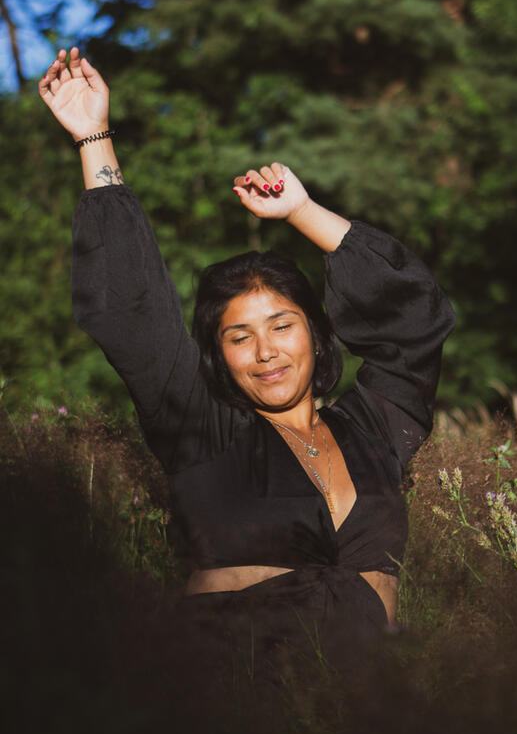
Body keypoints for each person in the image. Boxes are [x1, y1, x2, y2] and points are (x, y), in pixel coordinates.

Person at [38, 47, 455, 683]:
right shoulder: (204, 428)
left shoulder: (374, 431)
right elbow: (133, 309)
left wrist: (301, 212)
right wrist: (94, 137)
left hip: (363, 695)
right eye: (239, 337)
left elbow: (415, 318)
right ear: (219, 353)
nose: (265, 352)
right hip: (234, 688)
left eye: (282, 326)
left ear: (315, 334)